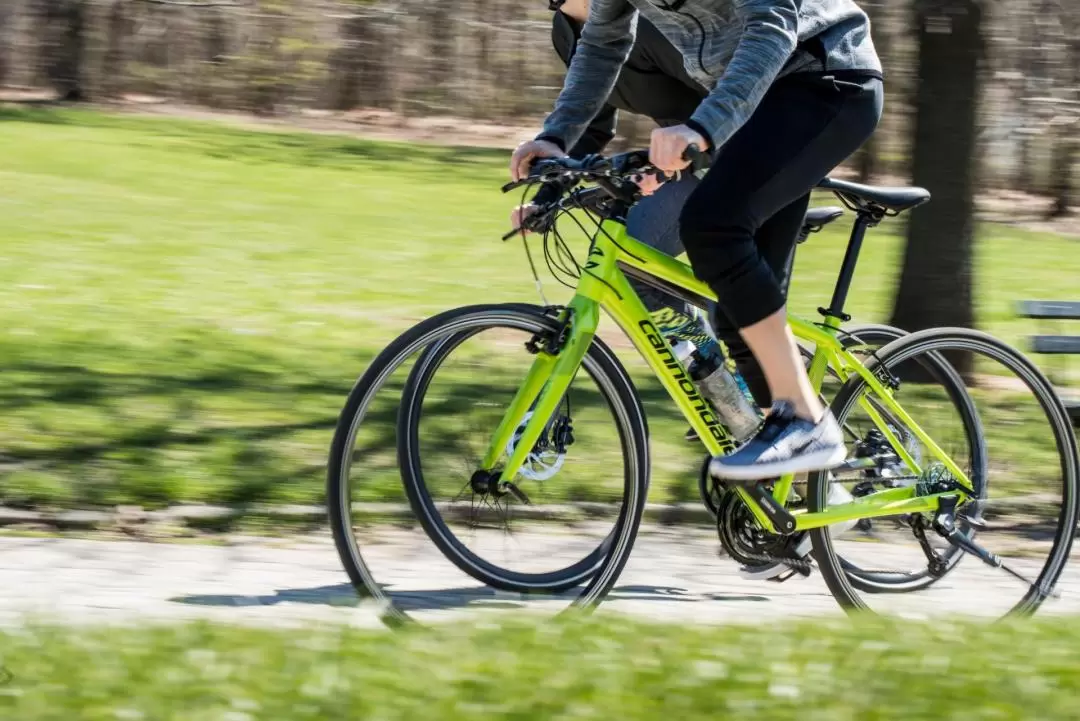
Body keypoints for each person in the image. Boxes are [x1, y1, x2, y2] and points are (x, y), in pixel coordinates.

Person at [511, 0, 883, 486]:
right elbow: (602, 45)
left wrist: (703, 127)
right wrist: (556, 137)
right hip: (758, 103)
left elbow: (772, 26)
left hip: (824, 78)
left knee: (712, 226)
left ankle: (807, 420)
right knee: (732, 313)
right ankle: (794, 497)